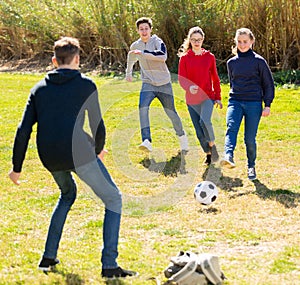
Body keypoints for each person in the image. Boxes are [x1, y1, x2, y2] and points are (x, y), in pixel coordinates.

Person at [8, 37, 136, 278]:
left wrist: (17, 167)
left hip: (50, 156)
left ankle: (48, 257)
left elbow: (23, 129)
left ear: (54, 61)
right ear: (77, 60)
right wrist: (98, 149)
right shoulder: (86, 85)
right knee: (113, 199)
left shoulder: (39, 89)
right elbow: (97, 124)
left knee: (67, 194)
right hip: (79, 154)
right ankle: (109, 265)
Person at [125, 17, 188, 153]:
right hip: (148, 83)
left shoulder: (157, 41)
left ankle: (182, 137)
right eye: (141, 29)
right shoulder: (136, 45)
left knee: (170, 112)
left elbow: (162, 56)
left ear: (150, 29)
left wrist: (144, 54)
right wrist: (128, 73)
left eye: (146, 28)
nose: (144, 31)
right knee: (142, 107)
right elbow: (131, 58)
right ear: (137, 31)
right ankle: (146, 140)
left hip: (164, 83)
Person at [220, 28, 275, 180]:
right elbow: (233, 82)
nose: (242, 44)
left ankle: (251, 166)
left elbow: (268, 84)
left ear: (251, 41)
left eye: (245, 41)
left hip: (254, 103)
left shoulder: (259, 61)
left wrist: (267, 104)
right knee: (231, 128)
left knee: (249, 139)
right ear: (235, 42)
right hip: (235, 101)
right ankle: (228, 155)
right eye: (239, 41)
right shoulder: (231, 62)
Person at [178, 26, 222, 165]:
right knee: (198, 130)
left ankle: (213, 144)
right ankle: (209, 154)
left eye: (199, 39)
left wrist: (218, 97)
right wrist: (189, 87)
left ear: (203, 40)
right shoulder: (185, 58)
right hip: (191, 100)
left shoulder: (209, 57)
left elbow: (215, 78)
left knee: (205, 121)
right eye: (193, 39)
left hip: (207, 96)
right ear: (189, 40)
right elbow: (181, 79)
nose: (196, 42)